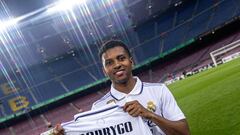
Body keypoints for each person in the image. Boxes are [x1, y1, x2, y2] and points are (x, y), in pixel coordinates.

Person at [53, 40, 190, 135]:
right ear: (104, 71)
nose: (117, 65)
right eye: (109, 63)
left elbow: (184, 133)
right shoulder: (99, 107)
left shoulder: (159, 90)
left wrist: (149, 114)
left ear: (131, 61)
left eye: (121, 58)